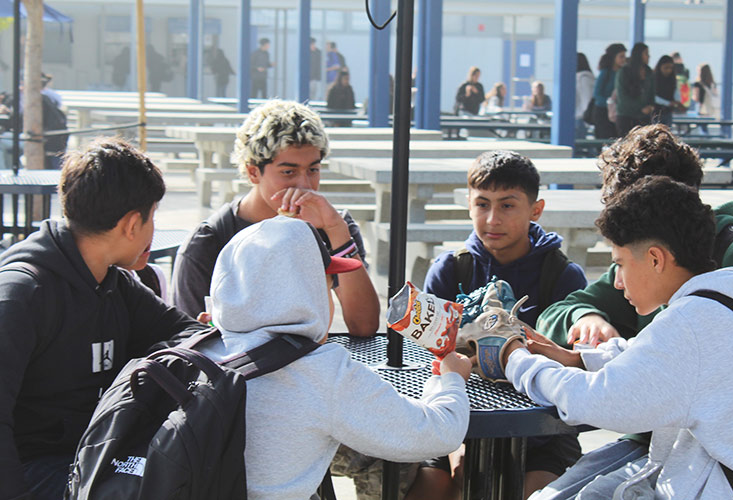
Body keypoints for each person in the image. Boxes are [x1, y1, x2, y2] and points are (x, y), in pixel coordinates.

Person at [506, 175, 733, 499]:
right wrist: (579, 358)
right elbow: (666, 363)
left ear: (656, 259)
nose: (617, 282)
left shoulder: (692, 322)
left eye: (619, 264)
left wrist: (513, 358)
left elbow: (589, 401)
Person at [195, 215, 473, 499]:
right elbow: (437, 433)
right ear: (305, 291)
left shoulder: (201, 350)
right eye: (328, 286)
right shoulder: (321, 371)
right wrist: (451, 378)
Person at [0, 138, 205, 500]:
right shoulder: (21, 293)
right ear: (130, 224)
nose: (152, 230)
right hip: (34, 469)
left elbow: (185, 334)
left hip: (96, 456)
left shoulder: (115, 283)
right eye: (151, 218)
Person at [409, 150, 589, 500]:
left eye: (507, 205)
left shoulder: (562, 276)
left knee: (530, 494)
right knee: (443, 487)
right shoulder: (450, 271)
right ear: (468, 204)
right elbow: (426, 360)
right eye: (482, 204)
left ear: (535, 210)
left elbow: (573, 364)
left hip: (544, 429)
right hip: (461, 419)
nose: (492, 219)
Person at [170, 99, 380, 337]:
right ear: (252, 172)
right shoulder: (209, 241)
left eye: (313, 169)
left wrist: (336, 230)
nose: (304, 185)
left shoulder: (332, 225)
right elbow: (189, 344)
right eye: (288, 172)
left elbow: (364, 327)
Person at [614, 42, 654, 137]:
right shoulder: (624, 72)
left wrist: (651, 106)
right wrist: (639, 109)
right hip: (626, 117)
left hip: (644, 118)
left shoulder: (649, 72)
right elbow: (622, 96)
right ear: (638, 54)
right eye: (646, 54)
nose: (649, 56)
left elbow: (652, 92)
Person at [592, 43, 626, 139]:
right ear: (613, 57)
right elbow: (596, 94)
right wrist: (610, 103)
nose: (624, 59)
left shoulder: (623, 73)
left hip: (617, 113)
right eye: (621, 56)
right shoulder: (605, 73)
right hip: (603, 113)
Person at [653, 55, 683, 126]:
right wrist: (668, 103)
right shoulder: (653, 79)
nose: (668, 70)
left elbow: (676, 92)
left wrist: (677, 102)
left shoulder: (673, 80)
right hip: (655, 112)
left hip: (667, 113)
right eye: (666, 68)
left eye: (671, 68)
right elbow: (653, 96)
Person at [575, 53, 595, 139]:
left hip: (581, 118)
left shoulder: (584, 78)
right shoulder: (581, 77)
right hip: (579, 118)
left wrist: (586, 118)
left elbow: (586, 99)